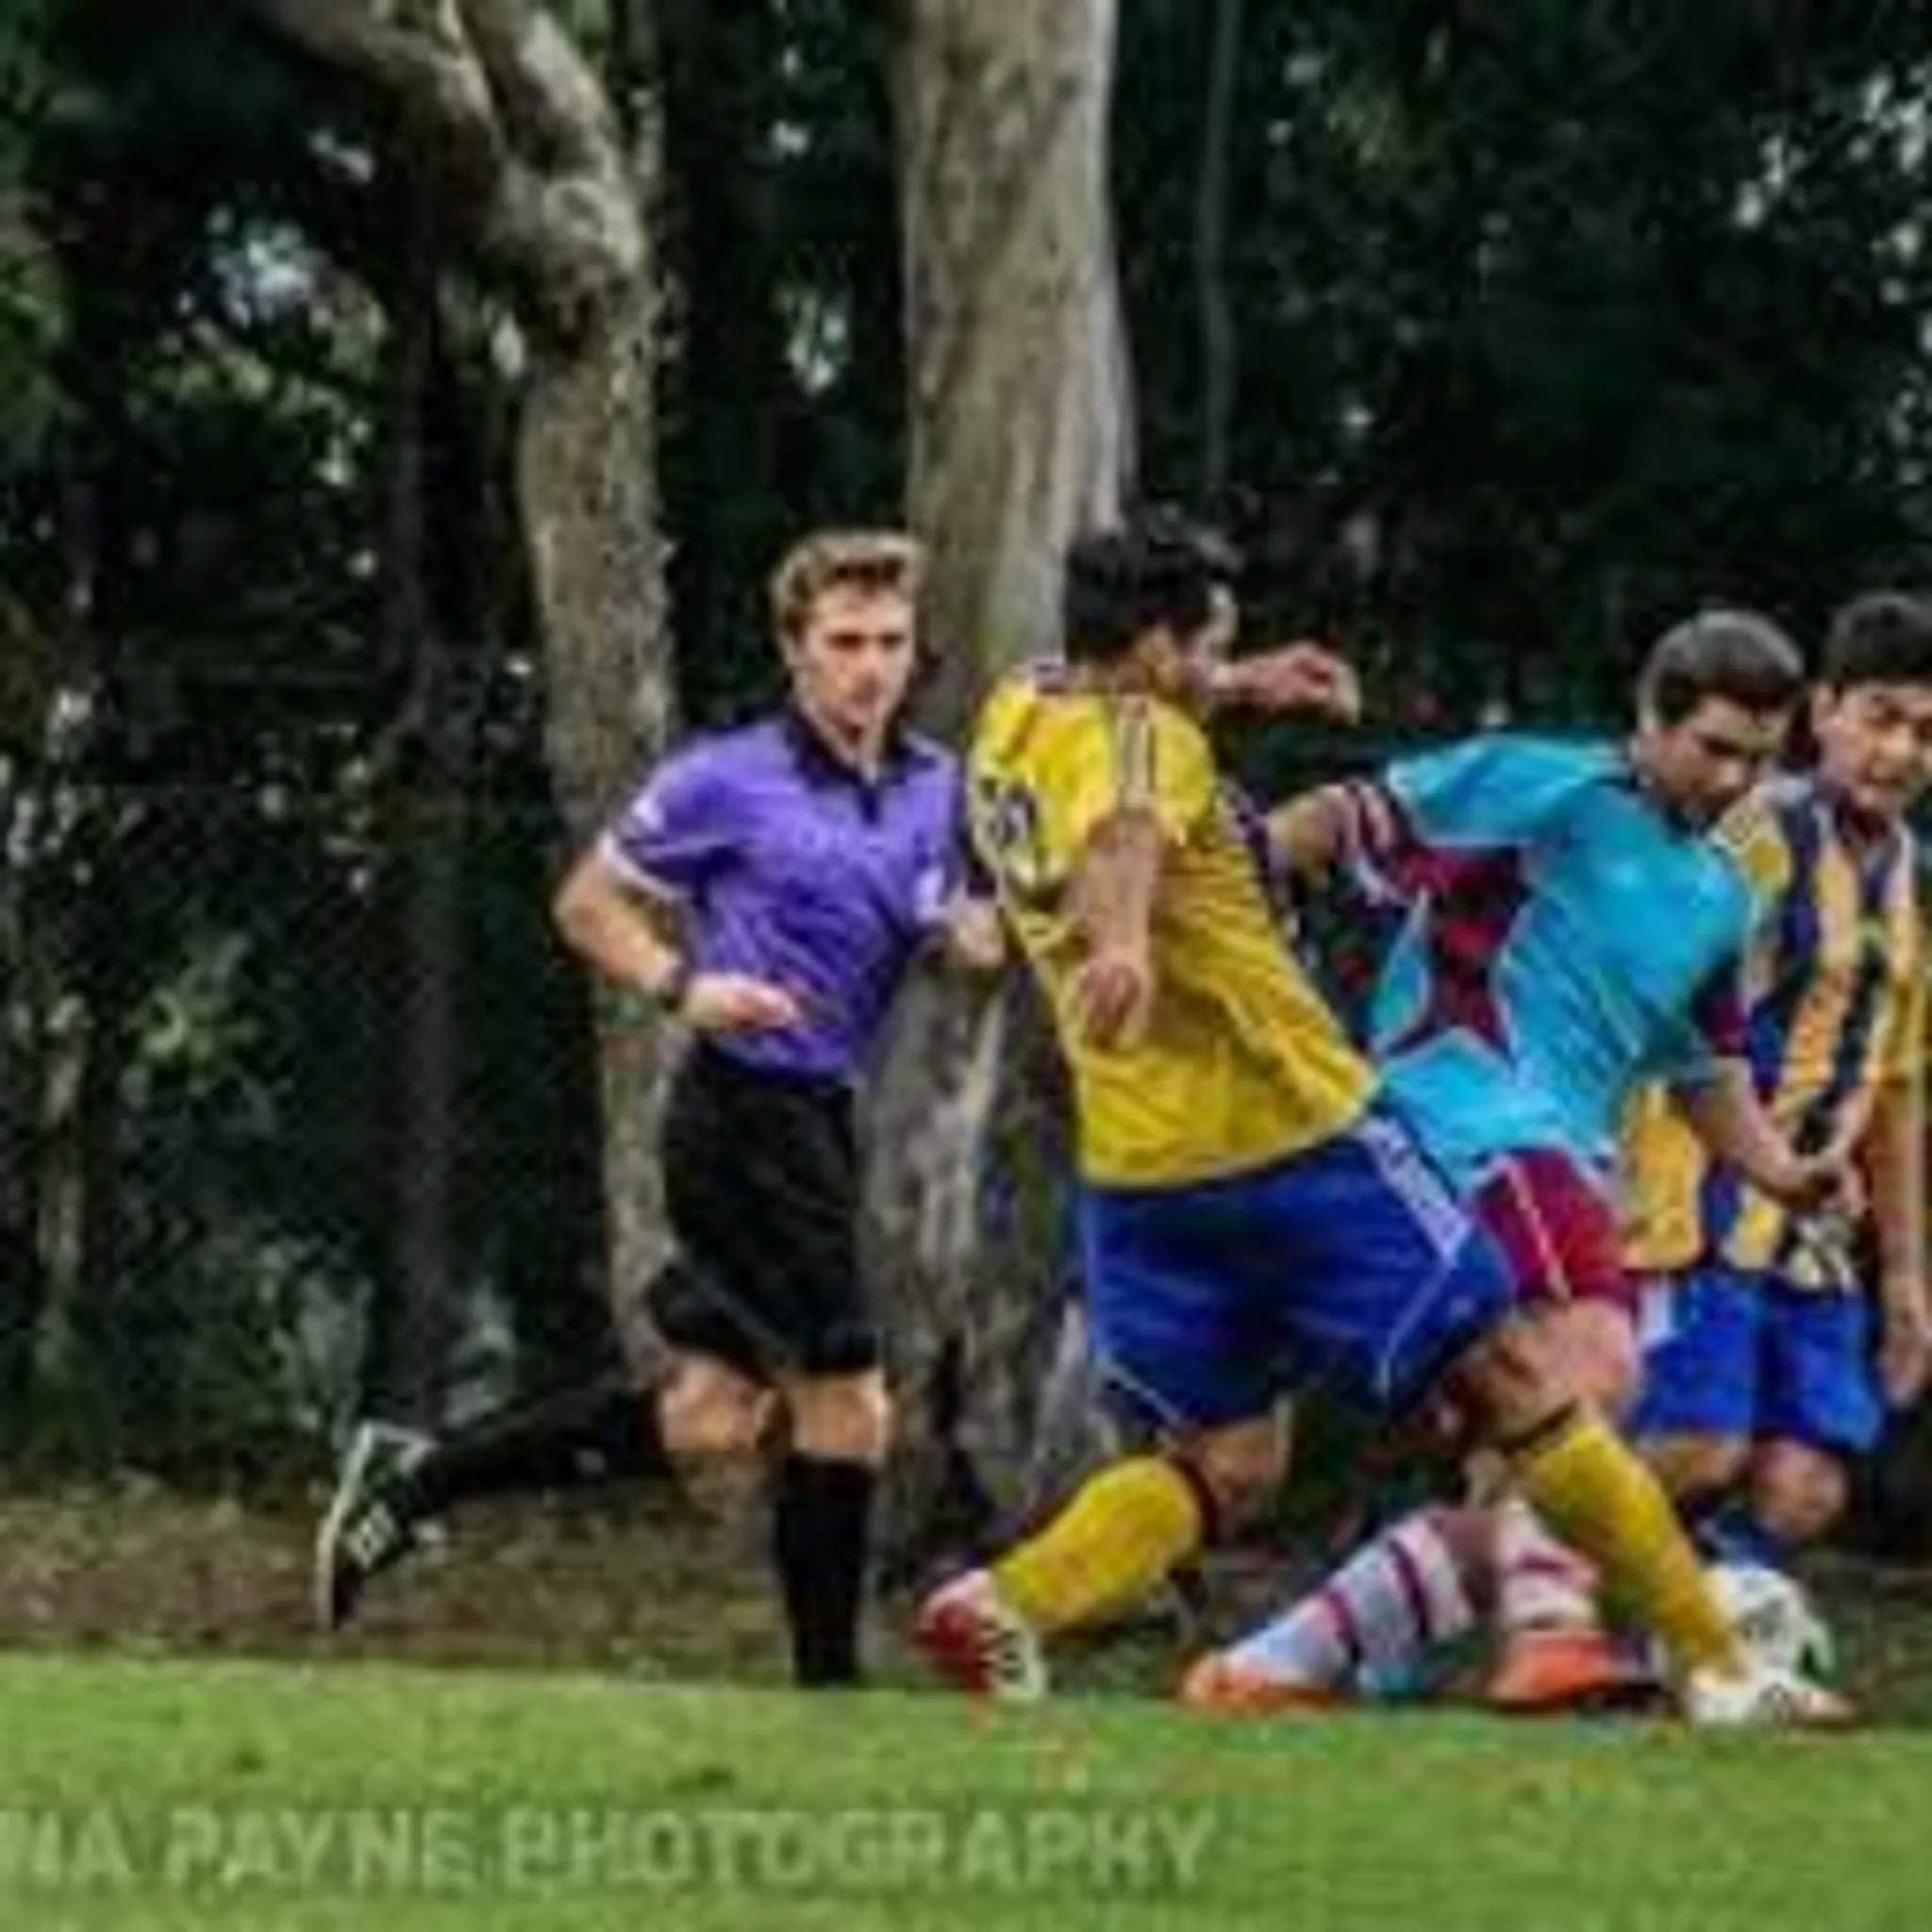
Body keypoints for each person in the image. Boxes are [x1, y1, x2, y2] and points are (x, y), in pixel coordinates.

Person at [914, 513, 1842, 1724]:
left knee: (1229, 1465)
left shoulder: (1015, 709)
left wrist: (1238, 684)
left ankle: (1006, 1602)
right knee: (1531, 1379)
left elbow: (1116, 750)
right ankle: (1716, 1658)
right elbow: (1127, 822)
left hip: (1142, 1170)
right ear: (1151, 648)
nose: (1734, 781)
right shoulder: (1151, 744)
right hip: (1299, 1135)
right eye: (1211, 645)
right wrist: (1129, 940)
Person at [1182, 605, 1905, 1715]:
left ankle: (1276, 1663)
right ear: (1647, 720)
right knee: (1596, 1369)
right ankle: (1568, 1635)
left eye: (1753, 760)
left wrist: (1777, 1169)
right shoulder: (1545, 785)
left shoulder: (1716, 886)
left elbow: (1698, 1057)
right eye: (1710, 747)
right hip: (1459, 1112)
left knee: (1537, 1456)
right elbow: (1344, 812)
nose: (1727, 778)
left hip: (1559, 1150)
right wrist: (1216, 921)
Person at [315, 527, 999, 1688]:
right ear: (794, 650)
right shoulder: (724, 777)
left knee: (711, 1415)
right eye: (842, 643)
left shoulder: (936, 788)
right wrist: (686, 984)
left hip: (819, 1117)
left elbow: (953, 928)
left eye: (888, 642)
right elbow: (585, 903)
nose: (869, 667)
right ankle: (832, 1699)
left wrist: (978, 937)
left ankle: (415, 1478)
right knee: (851, 1402)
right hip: (738, 1119)